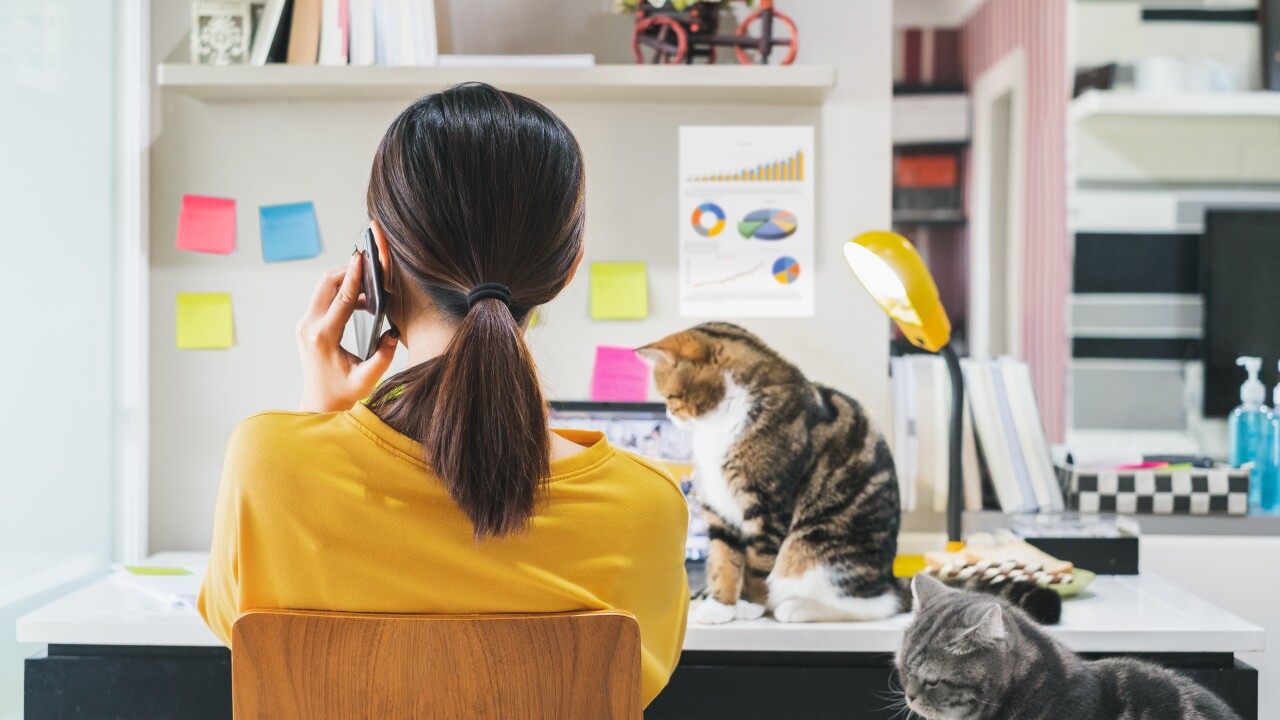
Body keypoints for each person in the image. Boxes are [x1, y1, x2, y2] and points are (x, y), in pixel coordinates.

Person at [198, 83, 690, 706]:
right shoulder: (647, 508)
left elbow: (237, 628)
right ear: (568, 268)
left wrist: (317, 419)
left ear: (375, 263)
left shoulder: (265, 462)